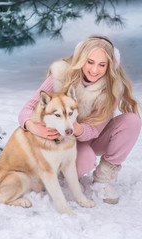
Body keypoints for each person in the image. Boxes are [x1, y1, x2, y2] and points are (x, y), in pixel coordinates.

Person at [18, 34, 141, 204]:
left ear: (110, 66)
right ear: (81, 59)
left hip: (88, 136)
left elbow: (94, 130)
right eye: (90, 62)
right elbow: (28, 107)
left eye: (102, 65)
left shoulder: (111, 88)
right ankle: (51, 172)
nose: (94, 70)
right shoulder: (62, 75)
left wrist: (75, 127)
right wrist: (32, 126)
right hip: (58, 139)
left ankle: (102, 179)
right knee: (85, 160)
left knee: (132, 121)